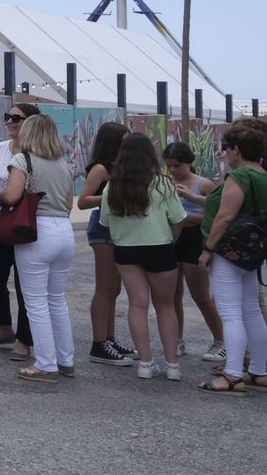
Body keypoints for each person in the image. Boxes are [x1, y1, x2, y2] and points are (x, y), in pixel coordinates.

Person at [100, 132, 186, 381]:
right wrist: (171, 239)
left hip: (126, 249)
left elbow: (105, 221)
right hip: (159, 246)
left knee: (137, 304)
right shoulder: (163, 183)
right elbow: (178, 219)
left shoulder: (112, 186)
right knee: (166, 306)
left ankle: (145, 364)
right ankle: (172, 366)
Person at [1, 115, 78, 384]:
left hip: (37, 232)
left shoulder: (23, 160)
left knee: (35, 302)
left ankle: (45, 364)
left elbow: (11, 196)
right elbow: (69, 205)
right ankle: (65, 359)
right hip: (64, 231)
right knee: (56, 299)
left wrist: (2, 197)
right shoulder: (64, 165)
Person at [196, 124, 267, 395]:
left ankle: (232, 375)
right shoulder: (263, 175)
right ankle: (260, 371)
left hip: (228, 251)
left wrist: (208, 249)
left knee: (230, 314)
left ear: (236, 150)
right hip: (251, 252)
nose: (224, 154)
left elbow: (225, 217)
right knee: (251, 311)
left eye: (226, 149)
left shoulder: (240, 176)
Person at [0, 103, 39, 361]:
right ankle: (4, 328)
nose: (11, 122)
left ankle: (25, 341)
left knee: (25, 285)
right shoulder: (0, 149)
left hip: (26, 227)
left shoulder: (39, 153)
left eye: (17, 118)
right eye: (8, 117)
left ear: (33, 122)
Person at [77, 122, 136, 365]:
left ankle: (109, 338)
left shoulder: (121, 166)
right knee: (104, 287)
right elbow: (83, 201)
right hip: (102, 229)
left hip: (121, 229)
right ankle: (98, 343)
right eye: (125, 139)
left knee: (114, 288)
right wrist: (114, 195)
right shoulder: (100, 168)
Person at [166, 141, 226, 362]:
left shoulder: (203, 184)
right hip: (171, 238)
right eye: (169, 165)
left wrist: (188, 218)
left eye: (178, 165)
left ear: (189, 163)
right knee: (172, 294)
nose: (173, 170)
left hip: (195, 238)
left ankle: (221, 340)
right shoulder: (165, 183)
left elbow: (218, 216)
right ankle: (177, 339)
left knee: (200, 294)